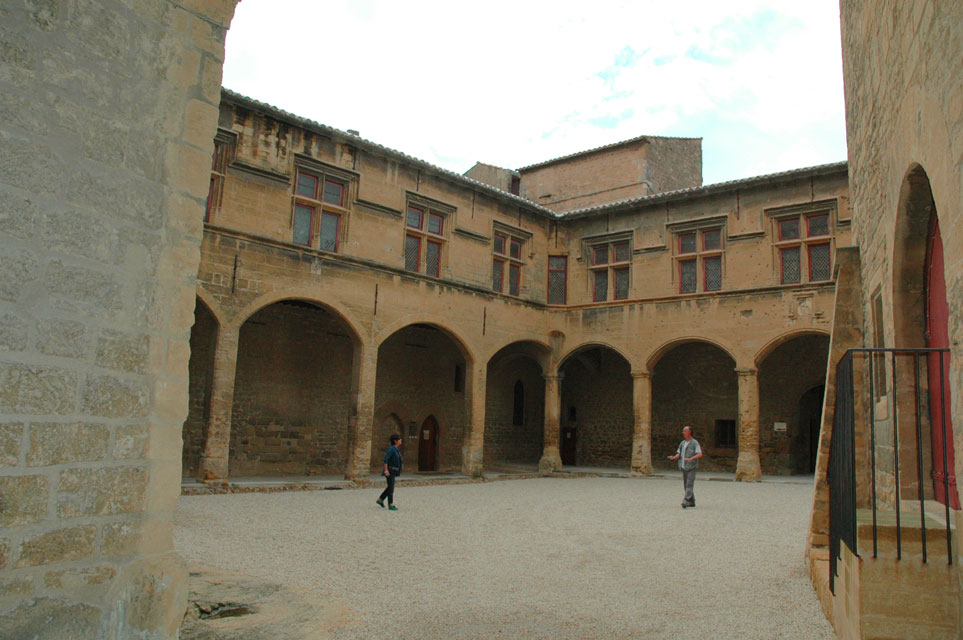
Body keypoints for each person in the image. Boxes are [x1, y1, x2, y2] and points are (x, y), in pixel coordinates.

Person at [667, 425, 703, 509]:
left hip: (692, 466)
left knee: (689, 484)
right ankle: (692, 501)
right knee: (686, 484)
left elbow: (700, 454)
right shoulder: (682, 443)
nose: (683, 432)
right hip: (684, 466)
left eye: (684, 431)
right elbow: (679, 454)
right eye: (683, 431)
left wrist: (691, 458)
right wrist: (674, 457)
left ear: (689, 432)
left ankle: (686, 500)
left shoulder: (695, 443)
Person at [377, 433, 403, 511]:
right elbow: (386, 459)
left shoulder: (395, 449)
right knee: (391, 488)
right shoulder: (391, 449)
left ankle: (380, 499)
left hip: (394, 470)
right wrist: (386, 470)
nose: (401, 440)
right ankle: (390, 504)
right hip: (390, 470)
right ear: (395, 441)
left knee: (390, 487)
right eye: (399, 439)